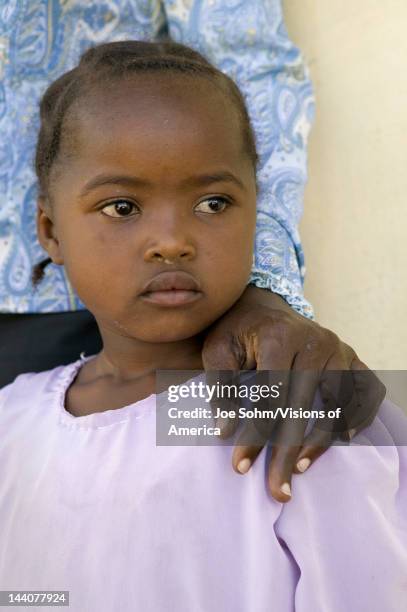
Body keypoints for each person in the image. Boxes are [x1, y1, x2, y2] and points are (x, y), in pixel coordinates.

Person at [0, 40, 405, 612]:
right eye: (122, 207)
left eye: (214, 203)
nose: (172, 241)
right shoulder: (15, 423)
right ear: (49, 230)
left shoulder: (293, 404)